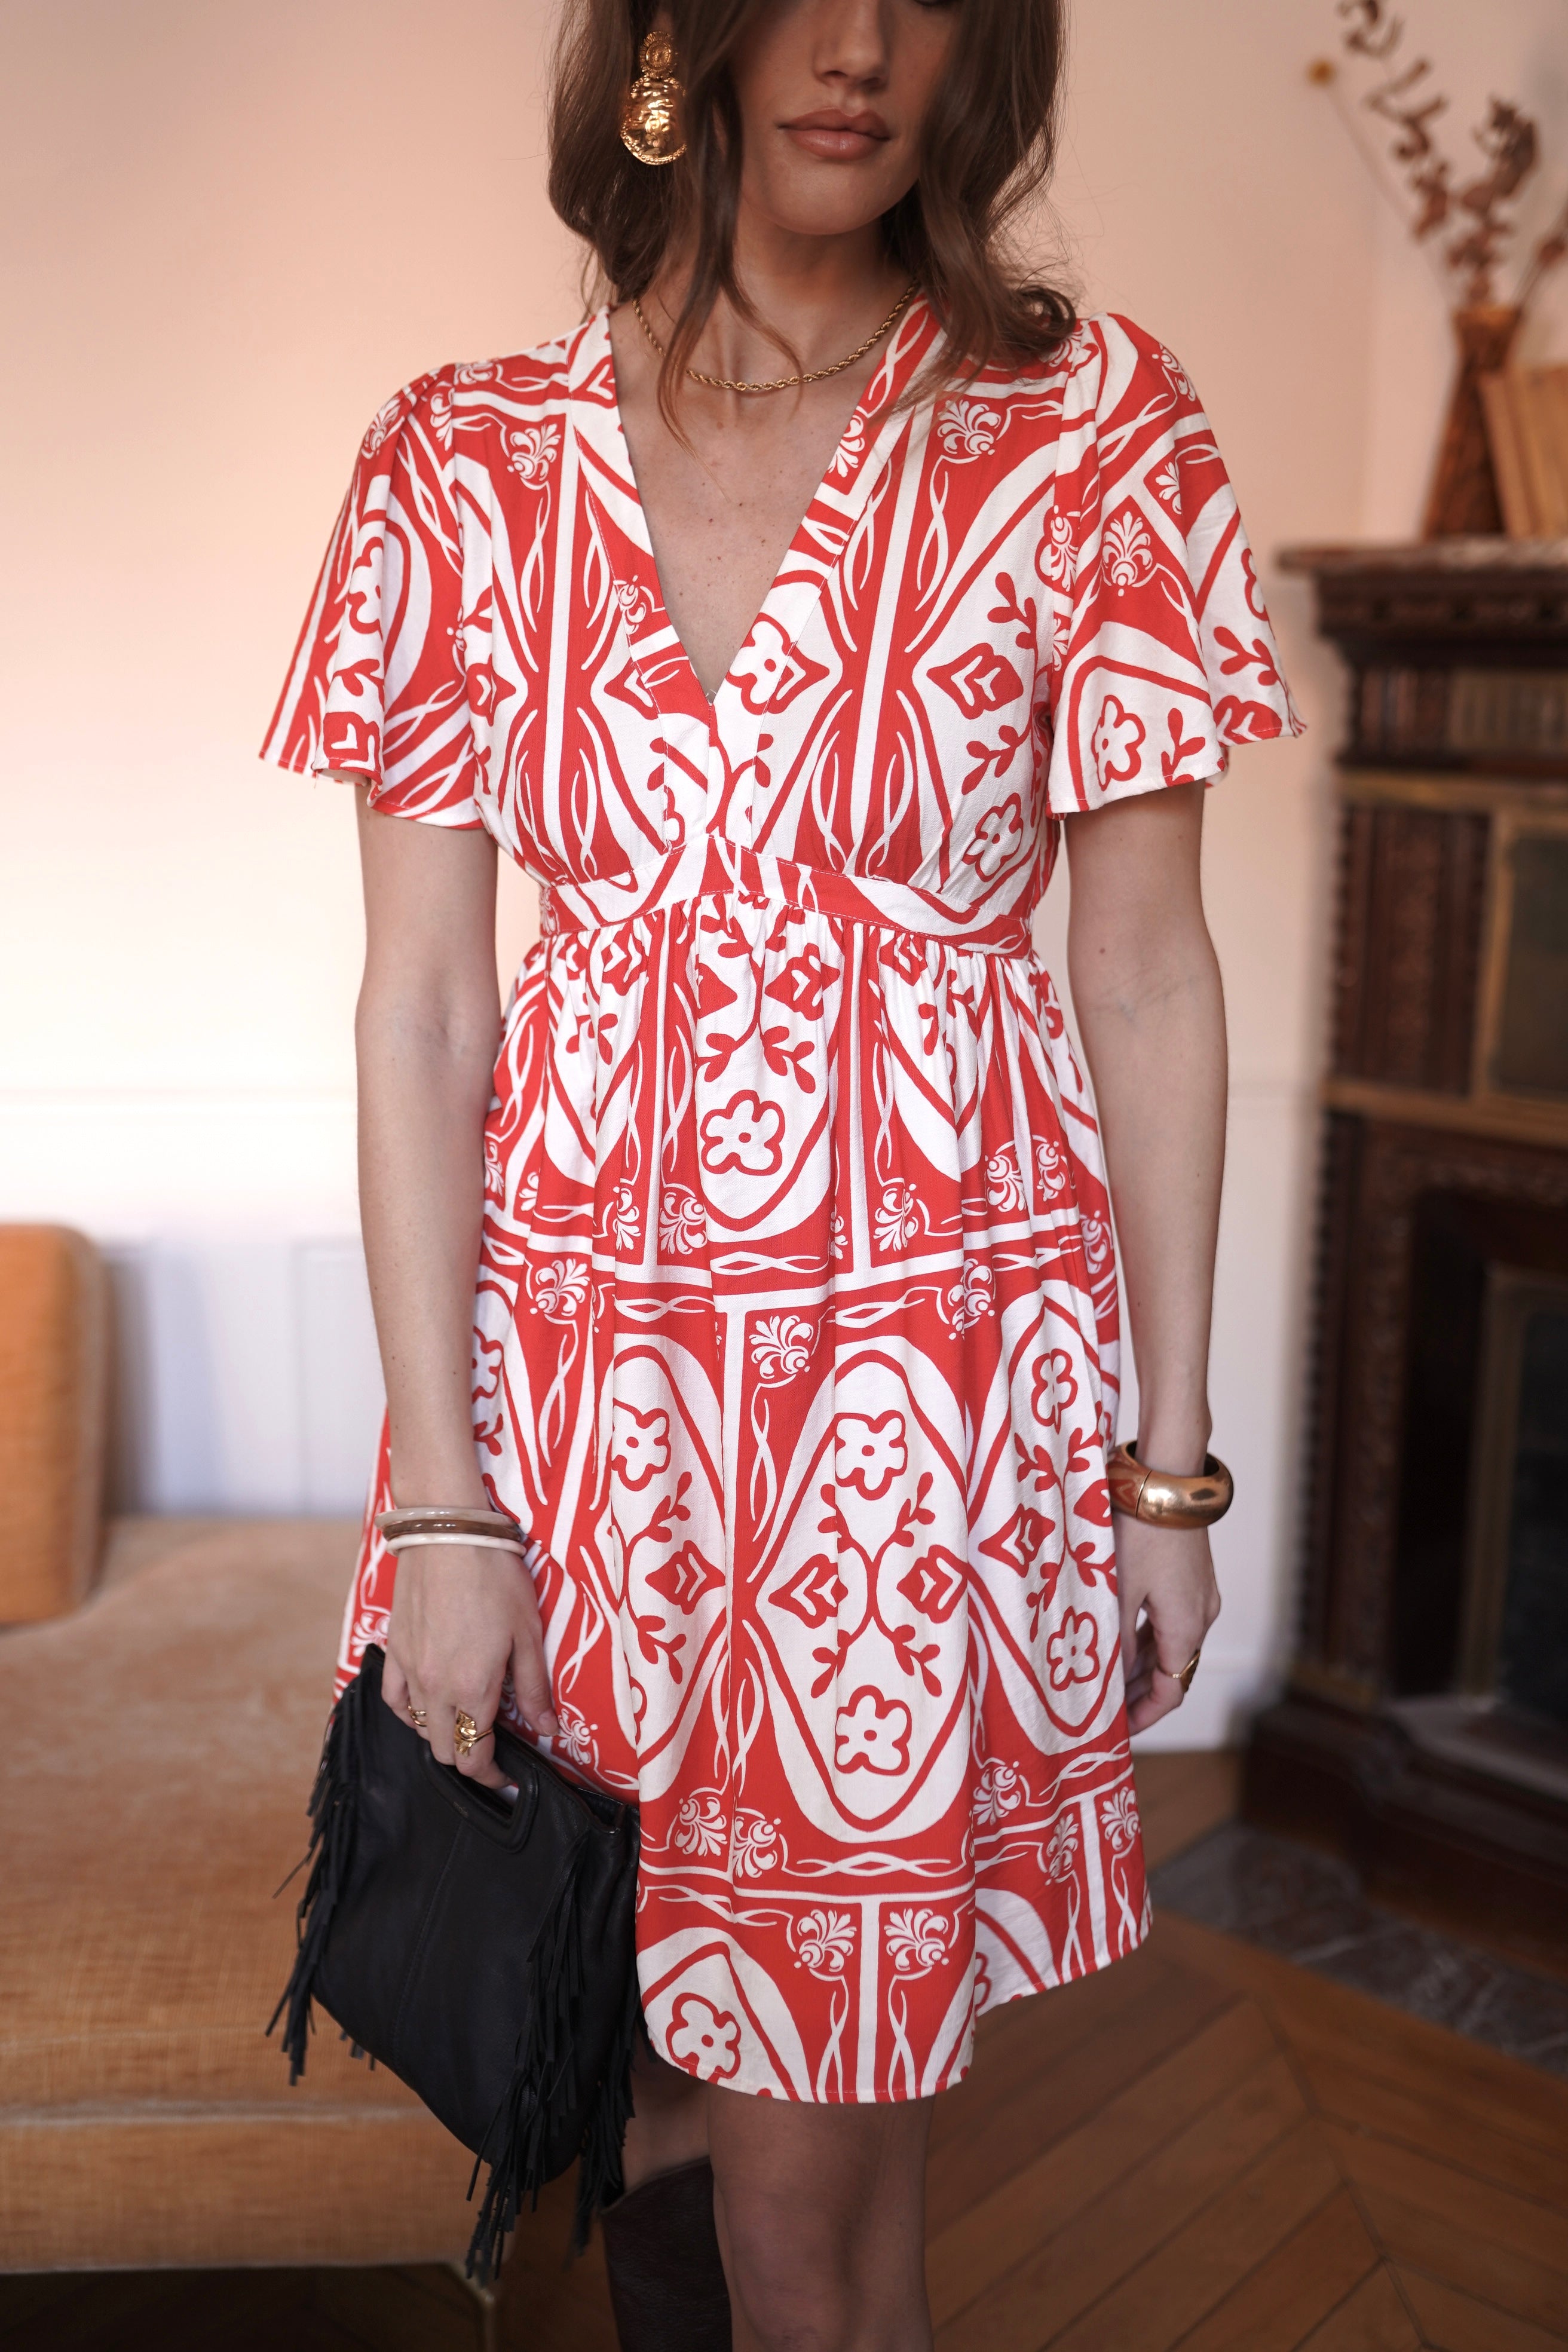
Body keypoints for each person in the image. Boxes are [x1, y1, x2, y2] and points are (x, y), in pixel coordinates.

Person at [264, 2, 1300, 2344]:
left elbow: (1147, 975)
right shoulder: (455, 459)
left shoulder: (1088, 426)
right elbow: (422, 1013)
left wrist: (1161, 1473)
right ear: (675, 38)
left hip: (901, 1437)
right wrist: (445, 1512)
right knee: (619, 2116)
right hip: (574, 1432)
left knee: (805, 2225)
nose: (855, 46)